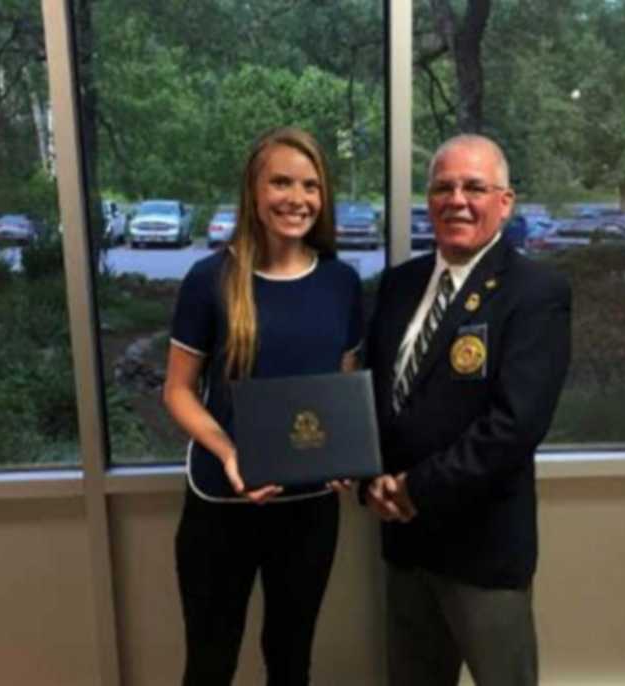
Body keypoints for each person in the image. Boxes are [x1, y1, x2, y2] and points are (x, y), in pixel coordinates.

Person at [365, 134, 571, 686]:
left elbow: (514, 425)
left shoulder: (535, 292)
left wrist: (415, 488)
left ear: (505, 202)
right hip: (404, 544)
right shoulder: (398, 285)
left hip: (482, 549)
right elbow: (375, 400)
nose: (457, 200)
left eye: (474, 187)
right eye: (443, 187)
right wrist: (371, 480)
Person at [163, 126, 362, 686]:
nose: (296, 198)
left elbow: (337, 392)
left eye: (311, 185)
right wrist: (228, 452)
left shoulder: (341, 283)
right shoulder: (209, 281)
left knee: (291, 659)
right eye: (281, 182)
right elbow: (177, 391)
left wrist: (344, 451)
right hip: (221, 502)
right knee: (210, 661)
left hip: (308, 509)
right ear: (253, 190)